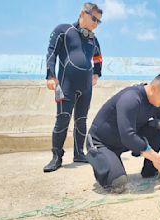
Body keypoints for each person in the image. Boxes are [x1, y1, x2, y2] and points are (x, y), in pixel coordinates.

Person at [86, 72, 160, 193]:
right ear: (154, 88)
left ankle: (149, 170)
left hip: (123, 142)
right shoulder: (131, 98)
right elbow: (128, 135)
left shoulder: (156, 102)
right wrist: (155, 157)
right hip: (102, 143)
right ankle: (104, 162)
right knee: (118, 183)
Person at [43, 2, 103, 172]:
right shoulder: (64, 30)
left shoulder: (93, 38)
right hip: (66, 84)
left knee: (81, 120)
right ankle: (56, 157)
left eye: (99, 21)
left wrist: (96, 73)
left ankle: (79, 153)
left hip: (86, 87)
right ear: (82, 13)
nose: (95, 24)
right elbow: (51, 52)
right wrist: (50, 75)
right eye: (94, 19)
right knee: (63, 118)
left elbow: (98, 57)